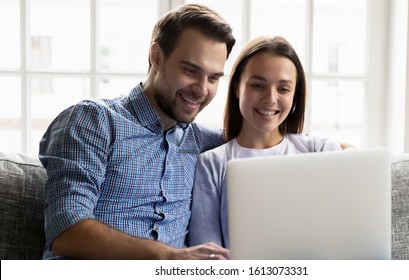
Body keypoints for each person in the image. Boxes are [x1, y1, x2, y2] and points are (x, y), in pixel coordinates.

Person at [39, 4, 236, 260]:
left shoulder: (203, 141)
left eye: (213, 78)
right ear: (156, 56)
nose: (201, 89)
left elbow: (266, 141)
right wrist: (169, 256)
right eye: (190, 70)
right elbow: (65, 230)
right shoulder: (94, 120)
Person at [188, 36, 342, 249]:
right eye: (258, 85)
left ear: (295, 95)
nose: (270, 98)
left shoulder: (319, 151)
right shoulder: (212, 164)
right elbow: (207, 253)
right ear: (236, 88)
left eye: (283, 89)